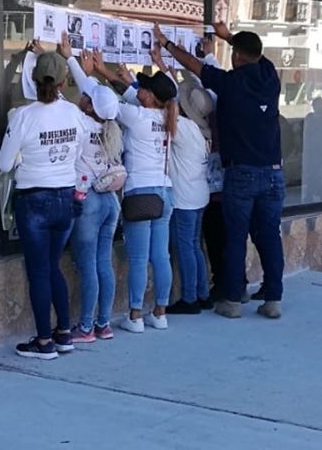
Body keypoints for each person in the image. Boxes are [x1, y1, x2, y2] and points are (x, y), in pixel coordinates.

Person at [156, 22, 285, 319]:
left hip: (242, 173)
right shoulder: (270, 77)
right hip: (274, 173)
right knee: (269, 235)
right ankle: (273, 299)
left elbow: (195, 65)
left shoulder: (231, 83)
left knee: (235, 237)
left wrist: (167, 44)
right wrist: (228, 37)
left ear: (236, 57)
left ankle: (232, 300)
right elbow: (254, 53)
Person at [74, 37, 178, 333]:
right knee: (161, 256)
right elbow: (131, 93)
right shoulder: (168, 114)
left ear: (149, 96)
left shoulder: (137, 115)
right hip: (165, 192)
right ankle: (160, 313)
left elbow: (104, 104)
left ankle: (135, 315)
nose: (138, 88)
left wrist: (89, 74)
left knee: (138, 258)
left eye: (143, 88)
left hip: (140, 193)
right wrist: (106, 72)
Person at [0, 50, 90, 359]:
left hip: (33, 199)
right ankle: (63, 333)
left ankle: (44, 341)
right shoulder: (75, 114)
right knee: (53, 266)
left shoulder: (23, 116)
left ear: (33, 80)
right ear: (63, 81)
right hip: (65, 198)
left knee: (38, 271)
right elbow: (80, 154)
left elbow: (4, 162)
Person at [60, 47, 123, 343]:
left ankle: (85, 328)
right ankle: (103, 324)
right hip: (110, 201)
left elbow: (55, 96)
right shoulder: (111, 125)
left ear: (88, 105)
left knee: (88, 268)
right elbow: (92, 90)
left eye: (86, 96)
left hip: (88, 202)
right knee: (103, 264)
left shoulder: (79, 121)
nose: (82, 95)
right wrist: (72, 60)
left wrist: (65, 61)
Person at [166, 75, 213, 314]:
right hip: (199, 195)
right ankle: (203, 293)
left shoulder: (182, 127)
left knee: (185, 247)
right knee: (195, 245)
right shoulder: (198, 129)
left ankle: (189, 298)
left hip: (184, 198)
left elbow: (157, 115)